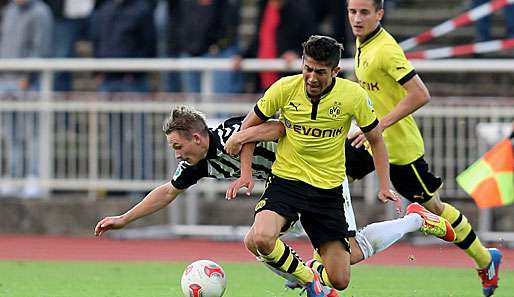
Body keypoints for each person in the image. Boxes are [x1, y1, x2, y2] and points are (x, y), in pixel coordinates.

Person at [95, 105, 454, 297]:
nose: (177, 155)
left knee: (341, 268)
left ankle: (415, 219)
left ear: (196, 137)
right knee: (259, 240)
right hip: (288, 188)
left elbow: (280, 126)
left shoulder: (229, 134)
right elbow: (168, 191)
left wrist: (247, 163)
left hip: (322, 175)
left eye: (177, 147)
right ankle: (304, 279)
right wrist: (124, 219)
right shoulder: (198, 163)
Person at [223, 35, 454, 297]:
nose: (311, 78)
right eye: (307, 69)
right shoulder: (284, 89)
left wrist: (383, 184)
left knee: (340, 279)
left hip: (328, 190)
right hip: (287, 182)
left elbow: (376, 139)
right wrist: (245, 174)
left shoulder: (353, 96)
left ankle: (414, 220)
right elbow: (248, 128)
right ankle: (310, 282)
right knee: (260, 239)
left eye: (320, 72)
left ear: (335, 71)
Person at [346, 1, 502, 296]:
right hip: (369, 142)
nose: (357, 18)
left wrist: (378, 125)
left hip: (399, 150)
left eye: (364, 12)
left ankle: (485, 258)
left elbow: (420, 94)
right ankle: (314, 265)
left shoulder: (385, 49)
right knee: (325, 182)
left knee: (435, 208)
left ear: (380, 14)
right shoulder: (362, 43)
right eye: (352, 11)